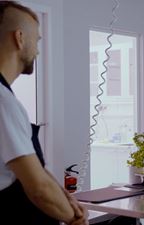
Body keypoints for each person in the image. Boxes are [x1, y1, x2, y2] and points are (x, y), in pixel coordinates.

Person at [0, 1, 88, 224]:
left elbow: (36, 169)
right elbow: (38, 187)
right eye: (36, 40)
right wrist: (74, 219)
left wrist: (66, 199)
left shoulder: (7, 98)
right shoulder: (3, 101)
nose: (38, 50)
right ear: (20, 38)